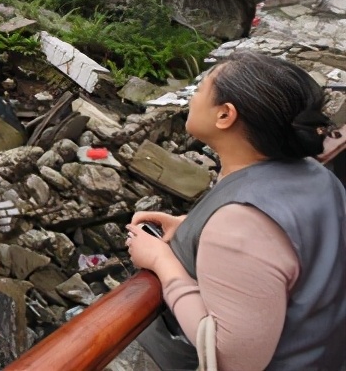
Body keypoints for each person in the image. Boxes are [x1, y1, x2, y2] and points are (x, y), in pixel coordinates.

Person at [127, 50, 346, 371]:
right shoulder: (315, 175)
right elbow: (285, 250)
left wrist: (163, 262)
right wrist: (191, 227)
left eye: (200, 89)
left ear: (225, 115)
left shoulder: (241, 223)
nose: (192, 97)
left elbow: (231, 358)